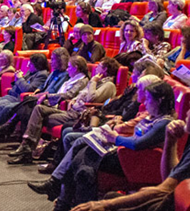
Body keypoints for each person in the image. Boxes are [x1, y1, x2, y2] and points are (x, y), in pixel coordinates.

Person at [71, 86, 190, 211]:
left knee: (108, 202)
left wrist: (102, 205)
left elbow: (163, 190)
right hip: (178, 202)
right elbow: (169, 178)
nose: (186, 113)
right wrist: (171, 141)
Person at [30, 79, 176, 209]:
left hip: (132, 162)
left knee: (82, 160)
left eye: (149, 99)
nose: (145, 102)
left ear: (160, 101)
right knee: (82, 157)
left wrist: (115, 138)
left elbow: (139, 144)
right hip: (124, 154)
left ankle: (61, 195)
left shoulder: (164, 122)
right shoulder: (153, 116)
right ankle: (64, 199)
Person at [8, 56, 118, 165]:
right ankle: (26, 148)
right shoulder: (96, 82)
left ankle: (26, 150)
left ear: (105, 70)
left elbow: (91, 98)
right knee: (38, 109)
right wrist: (73, 100)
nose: (96, 68)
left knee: (37, 116)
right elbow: (81, 94)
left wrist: (93, 82)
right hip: (71, 110)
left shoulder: (108, 85)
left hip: (79, 115)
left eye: (99, 66)